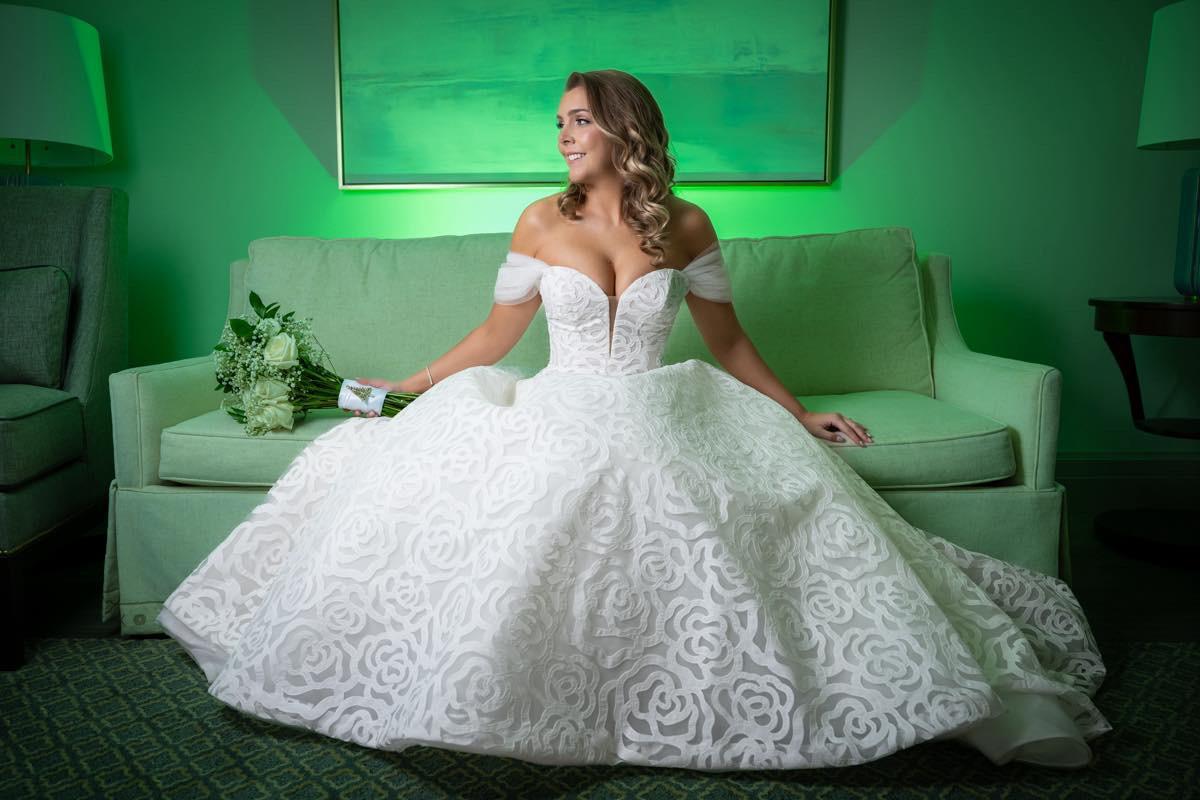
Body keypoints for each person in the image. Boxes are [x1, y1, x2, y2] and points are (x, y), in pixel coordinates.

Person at [157, 69, 1110, 770]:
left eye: (578, 120)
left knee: (699, 488)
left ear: (624, 128)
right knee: (557, 479)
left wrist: (799, 410)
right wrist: (397, 390)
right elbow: (494, 335)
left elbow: (728, 342)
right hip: (560, 400)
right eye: (559, 123)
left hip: (660, 402)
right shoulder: (541, 220)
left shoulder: (686, 225)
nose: (563, 137)